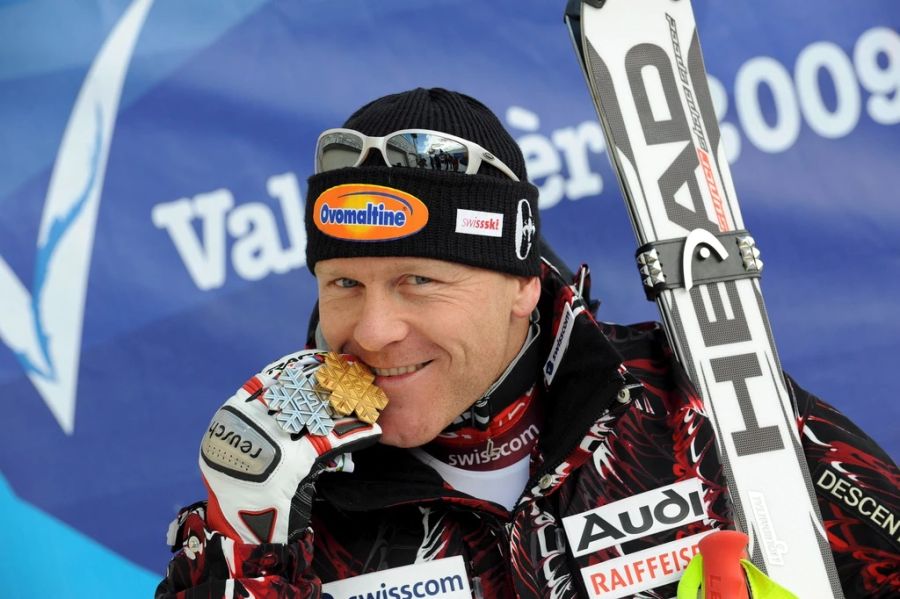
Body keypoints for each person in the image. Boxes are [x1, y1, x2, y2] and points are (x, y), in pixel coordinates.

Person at [156, 88, 899, 599]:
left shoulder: (693, 400)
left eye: (417, 280)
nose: (373, 331)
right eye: (344, 284)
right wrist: (242, 546)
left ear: (523, 285)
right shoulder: (284, 495)